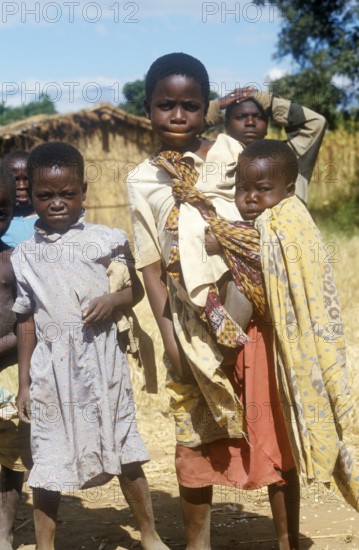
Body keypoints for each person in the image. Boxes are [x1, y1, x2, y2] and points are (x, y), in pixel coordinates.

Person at [12, 142, 168, 550]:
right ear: (31, 194)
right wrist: (25, 382)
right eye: (46, 196)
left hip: (103, 363)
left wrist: (113, 301)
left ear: (84, 191)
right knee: (48, 457)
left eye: (68, 194)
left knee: (123, 448)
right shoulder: (24, 256)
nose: (58, 203)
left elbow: (134, 289)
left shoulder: (108, 240)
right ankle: (46, 545)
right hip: (50, 371)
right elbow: (25, 320)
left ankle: (149, 533)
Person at [205, 89, 327, 204]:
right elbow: (186, 129)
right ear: (227, 125)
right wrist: (217, 106)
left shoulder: (285, 157)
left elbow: (316, 123)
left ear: (267, 126)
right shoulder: (209, 153)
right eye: (241, 116)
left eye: (258, 117)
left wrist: (269, 101)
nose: (250, 122)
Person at [0, 164, 32, 550]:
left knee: (10, 460)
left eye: (3, 209)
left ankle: (4, 532)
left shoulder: (16, 260)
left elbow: (28, 320)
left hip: (9, 376)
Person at [2, 151, 38, 248]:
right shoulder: (2, 221)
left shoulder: (48, 217)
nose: (22, 186)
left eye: (28, 179)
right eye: (15, 179)